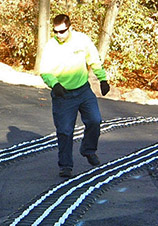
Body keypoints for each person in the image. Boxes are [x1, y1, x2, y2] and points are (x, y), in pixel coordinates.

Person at [39, 14, 110, 178]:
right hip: (62, 94)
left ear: (70, 27)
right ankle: (65, 166)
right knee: (65, 131)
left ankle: (88, 149)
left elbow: (94, 59)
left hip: (83, 90)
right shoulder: (51, 46)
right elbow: (44, 70)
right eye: (56, 32)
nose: (59, 35)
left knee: (95, 120)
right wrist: (54, 84)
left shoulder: (82, 40)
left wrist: (103, 79)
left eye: (62, 31)